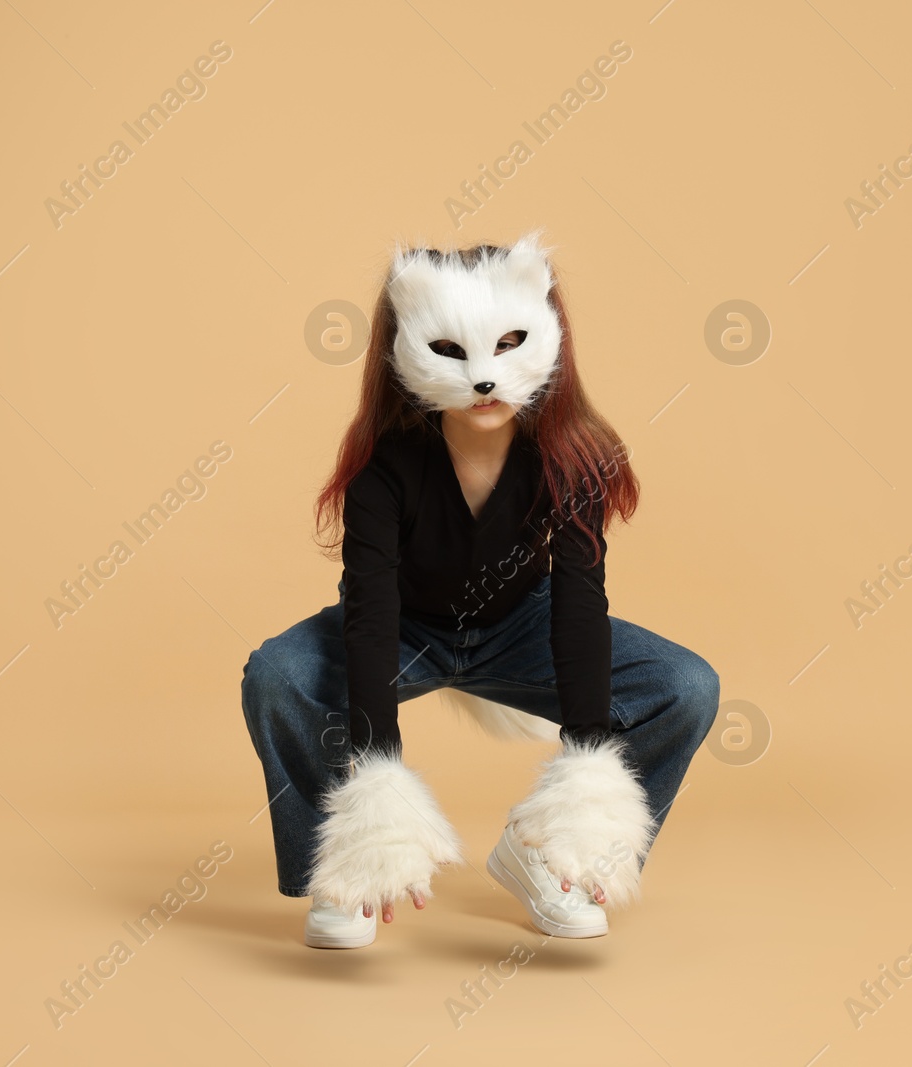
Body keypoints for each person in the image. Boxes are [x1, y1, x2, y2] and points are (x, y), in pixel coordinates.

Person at [239, 231, 719, 949]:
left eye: (508, 343)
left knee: (686, 686)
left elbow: (581, 599)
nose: (484, 378)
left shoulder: (572, 456)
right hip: (402, 629)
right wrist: (376, 800)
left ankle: (555, 859)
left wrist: (585, 770)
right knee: (278, 676)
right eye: (453, 354)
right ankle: (345, 874)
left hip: (520, 627)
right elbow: (370, 615)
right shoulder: (385, 471)